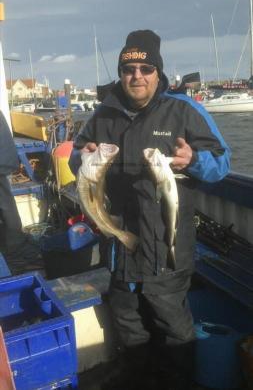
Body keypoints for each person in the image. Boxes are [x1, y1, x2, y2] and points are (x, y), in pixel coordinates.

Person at [69, 30, 230, 390]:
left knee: (172, 325)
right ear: (120, 72)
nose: (136, 76)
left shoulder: (183, 110)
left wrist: (195, 161)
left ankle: (179, 381)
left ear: (158, 72)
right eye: (129, 69)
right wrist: (80, 158)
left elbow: (220, 164)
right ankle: (141, 379)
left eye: (145, 67)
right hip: (119, 247)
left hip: (167, 248)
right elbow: (75, 159)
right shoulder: (103, 113)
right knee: (127, 321)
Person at [0, 110, 23, 253]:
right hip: (4, 161)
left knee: (6, 205)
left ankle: (14, 246)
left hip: (2, 162)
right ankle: (14, 245)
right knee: (6, 204)